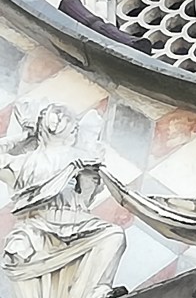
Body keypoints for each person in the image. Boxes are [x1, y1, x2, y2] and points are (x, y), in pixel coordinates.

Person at [0, 103, 125, 298]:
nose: (75, 126)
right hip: (36, 229)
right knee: (19, 249)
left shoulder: (82, 157)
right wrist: (25, 136)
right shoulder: (24, 163)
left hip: (76, 224)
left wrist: (88, 170)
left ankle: (96, 291)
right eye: (68, 121)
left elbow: (87, 195)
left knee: (114, 235)